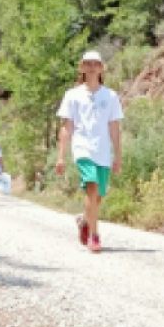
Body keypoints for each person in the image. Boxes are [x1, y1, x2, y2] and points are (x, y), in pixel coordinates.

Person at [56, 51, 124, 253]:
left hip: (102, 150)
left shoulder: (110, 96)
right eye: (88, 63)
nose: (92, 67)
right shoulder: (73, 95)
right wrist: (61, 156)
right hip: (82, 147)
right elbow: (67, 126)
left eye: (96, 63)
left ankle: (84, 220)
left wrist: (118, 156)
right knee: (92, 187)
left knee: (98, 196)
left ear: (102, 68)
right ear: (82, 67)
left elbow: (114, 127)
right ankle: (94, 236)